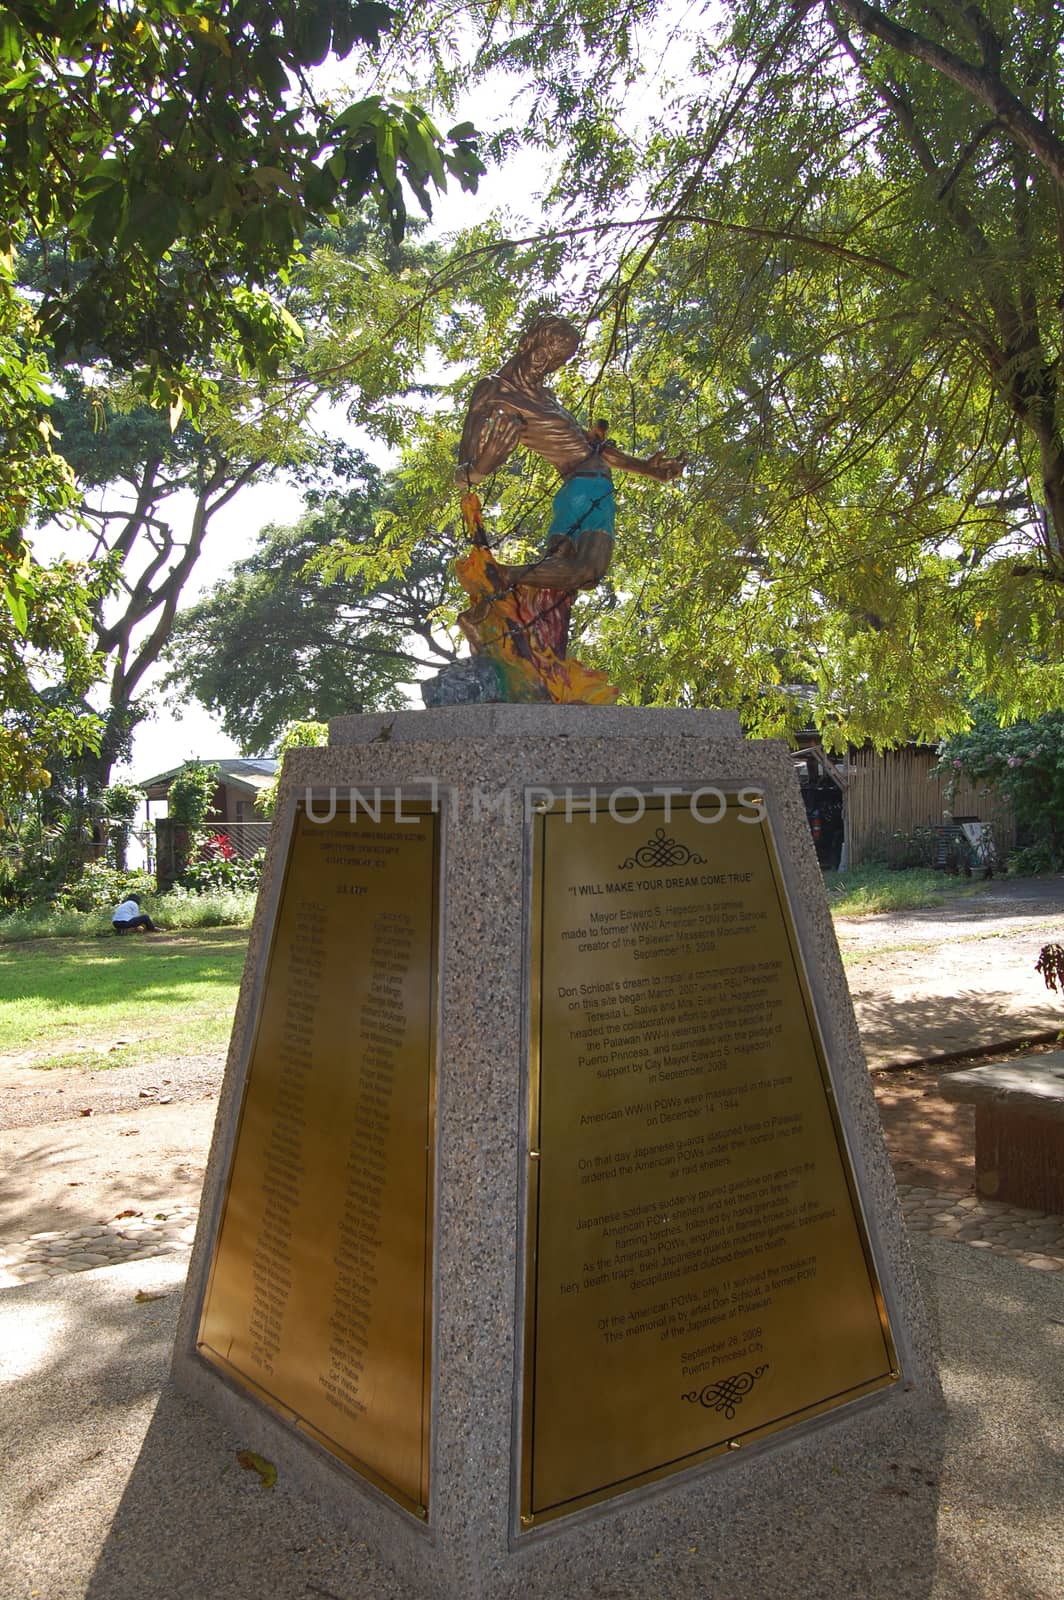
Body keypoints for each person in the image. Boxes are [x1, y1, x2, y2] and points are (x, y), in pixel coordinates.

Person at [455, 314, 685, 596]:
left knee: (559, 583)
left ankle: (510, 601)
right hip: (589, 492)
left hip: (577, 491)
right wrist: (481, 466)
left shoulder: (546, 396)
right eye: (543, 354)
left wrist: (647, 469)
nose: (545, 365)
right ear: (527, 342)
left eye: (556, 362)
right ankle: (498, 575)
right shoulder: (495, 390)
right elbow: (462, 475)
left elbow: (593, 451)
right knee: (588, 571)